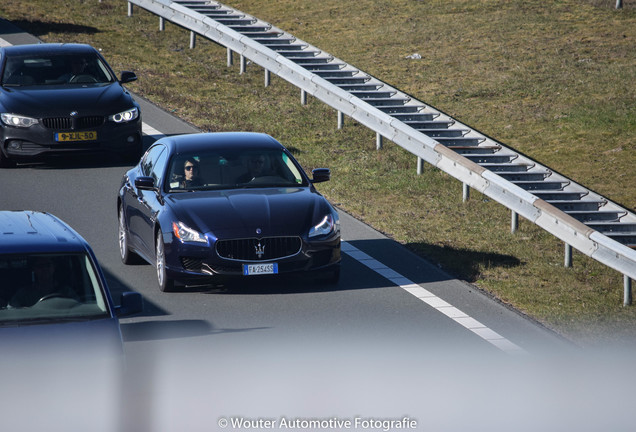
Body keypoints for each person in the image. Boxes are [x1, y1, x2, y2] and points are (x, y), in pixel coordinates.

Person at [8, 256, 78, 308]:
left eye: (48, 265)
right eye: (40, 266)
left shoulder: (66, 292)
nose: (45, 269)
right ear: (34, 269)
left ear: (54, 267)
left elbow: (78, 308)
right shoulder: (24, 294)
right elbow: (12, 310)